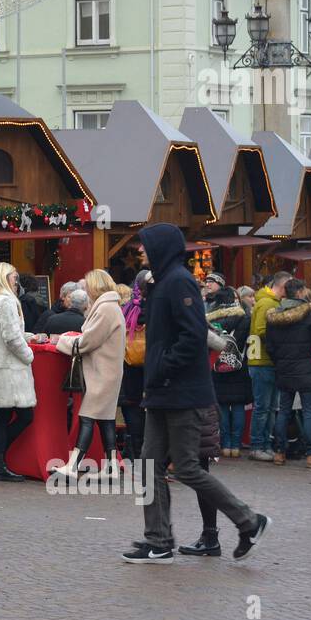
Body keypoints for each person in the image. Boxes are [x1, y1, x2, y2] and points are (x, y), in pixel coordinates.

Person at [123, 223, 270, 565]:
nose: (139, 251)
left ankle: (249, 521)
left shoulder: (179, 282)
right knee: (148, 466)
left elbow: (192, 335)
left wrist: (162, 367)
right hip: (163, 390)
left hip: (183, 392)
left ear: (160, 247)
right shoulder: (165, 282)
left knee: (187, 467)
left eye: (144, 246)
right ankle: (158, 541)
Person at [54, 269, 126, 478]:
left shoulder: (106, 309)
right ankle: (111, 465)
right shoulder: (109, 306)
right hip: (107, 370)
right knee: (105, 418)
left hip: (102, 372)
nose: (84, 291)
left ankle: (73, 465)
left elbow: (87, 341)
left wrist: (62, 340)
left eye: (86, 287)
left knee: (87, 416)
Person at [264, 278, 311, 467]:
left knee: (283, 411)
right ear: (300, 293)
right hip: (306, 369)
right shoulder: (309, 315)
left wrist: (280, 361)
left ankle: (279, 452)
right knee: (309, 412)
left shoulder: (274, 316)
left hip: (283, 369)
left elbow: (270, 346)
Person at [0, 262, 33, 483]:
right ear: (5, 277)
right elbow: (11, 337)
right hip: (9, 368)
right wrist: (29, 354)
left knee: (2, 417)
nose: (16, 280)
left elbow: (9, 334)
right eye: (14, 276)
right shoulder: (7, 302)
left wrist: (29, 337)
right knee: (24, 415)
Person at [246, 271, 290, 462]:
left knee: (269, 407)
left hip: (265, 361)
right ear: (282, 286)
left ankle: (264, 444)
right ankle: (258, 446)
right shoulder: (267, 304)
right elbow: (261, 331)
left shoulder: (268, 302)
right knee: (264, 407)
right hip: (262, 361)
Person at [206, 286, 251, 458]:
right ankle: (236, 445)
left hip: (216, 363)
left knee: (223, 405)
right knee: (238, 405)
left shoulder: (209, 319)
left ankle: (224, 445)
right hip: (238, 363)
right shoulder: (244, 317)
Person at [119, 271, 150, 462]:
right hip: (152, 372)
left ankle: (136, 456)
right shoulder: (159, 308)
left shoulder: (127, 309)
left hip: (128, 371)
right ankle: (153, 462)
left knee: (133, 417)